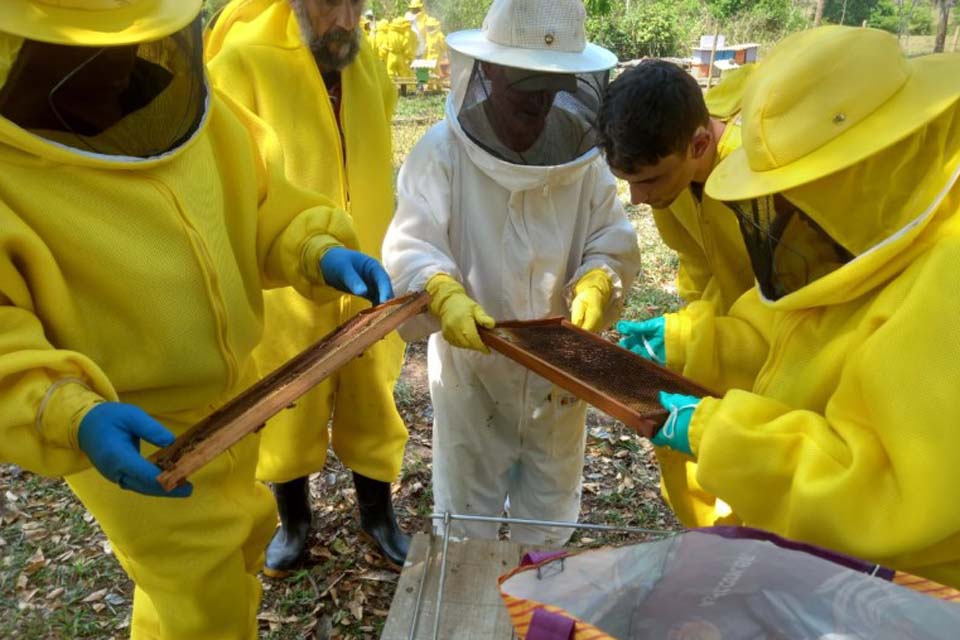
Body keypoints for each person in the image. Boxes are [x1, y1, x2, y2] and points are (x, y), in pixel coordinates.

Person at [0, 1, 393, 638]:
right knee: (198, 588)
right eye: (95, 52)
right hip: (131, 424)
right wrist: (68, 412)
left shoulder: (194, 114)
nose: (122, 67)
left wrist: (316, 249)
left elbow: (261, 198)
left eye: (140, 42)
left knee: (233, 552)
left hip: (237, 394)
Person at [644, 26, 960, 588]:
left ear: (857, 175)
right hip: (819, 564)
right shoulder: (860, 239)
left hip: (905, 594)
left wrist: (724, 438)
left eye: (799, 191)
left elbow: (883, 492)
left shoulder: (948, 282)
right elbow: (791, 330)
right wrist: (693, 342)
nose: (784, 216)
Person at [383, 0, 640, 545]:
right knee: (465, 521)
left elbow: (610, 238)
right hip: (471, 373)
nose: (541, 101)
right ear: (490, 69)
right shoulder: (441, 154)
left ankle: (535, 616)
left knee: (548, 522)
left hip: (559, 377)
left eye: (552, 87)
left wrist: (600, 277)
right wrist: (440, 289)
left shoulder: (585, 162)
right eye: (526, 84)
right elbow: (412, 244)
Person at [205, 0, 410, 576]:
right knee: (284, 392)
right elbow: (230, 180)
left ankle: (378, 514)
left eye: (356, 3)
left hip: (366, 263)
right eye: (327, 4)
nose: (344, 20)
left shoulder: (365, 65)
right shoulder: (242, 66)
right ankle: (294, 521)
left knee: (373, 389)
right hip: (285, 275)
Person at [596, 60, 756, 527]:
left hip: (781, 347)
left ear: (700, 143)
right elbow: (698, 266)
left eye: (649, 179)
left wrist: (707, 338)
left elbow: (793, 303)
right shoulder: (674, 186)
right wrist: (692, 329)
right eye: (628, 181)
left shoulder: (762, 176)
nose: (638, 199)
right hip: (729, 335)